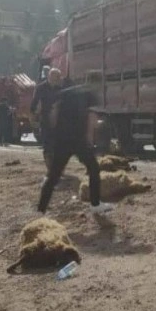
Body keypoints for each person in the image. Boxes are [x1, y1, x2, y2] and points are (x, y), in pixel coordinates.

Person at [38, 71, 114, 214]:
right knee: (94, 169)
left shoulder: (67, 92)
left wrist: (56, 132)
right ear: (96, 82)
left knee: (54, 175)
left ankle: (41, 209)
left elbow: (53, 114)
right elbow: (91, 119)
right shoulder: (91, 95)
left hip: (62, 140)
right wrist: (90, 140)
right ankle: (95, 204)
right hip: (78, 140)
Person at [31, 68, 63, 173]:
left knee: (58, 143)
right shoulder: (41, 88)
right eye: (56, 77)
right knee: (47, 144)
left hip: (59, 119)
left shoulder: (61, 88)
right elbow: (34, 103)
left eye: (58, 77)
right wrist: (34, 115)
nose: (57, 79)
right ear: (50, 77)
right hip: (45, 119)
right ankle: (51, 168)